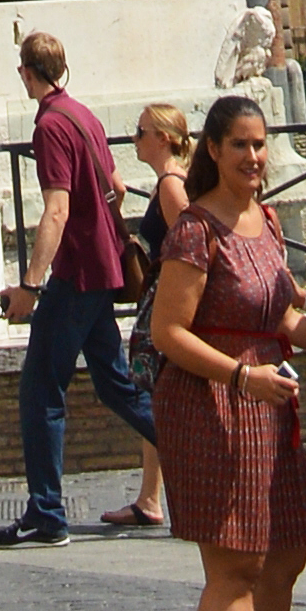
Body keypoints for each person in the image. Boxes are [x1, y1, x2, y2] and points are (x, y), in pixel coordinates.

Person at [141, 91, 306, 611]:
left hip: (271, 403)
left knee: (287, 552)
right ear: (212, 151)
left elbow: (286, 319)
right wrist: (241, 379)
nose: (254, 155)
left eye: (260, 142)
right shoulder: (195, 229)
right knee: (235, 566)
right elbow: (168, 332)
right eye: (240, 144)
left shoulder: (266, 220)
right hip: (212, 405)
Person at [0, 29, 159, 545]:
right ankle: (209, 450)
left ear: (27, 72)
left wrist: (29, 286)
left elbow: (56, 210)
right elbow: (117, 185)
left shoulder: (49, 127)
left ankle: (46, 514)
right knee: (118, 387)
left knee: (40, 392)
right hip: (103, 269)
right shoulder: (83, 114)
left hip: (74, 275)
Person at [113, 106, 199, 531]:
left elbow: (191, 242)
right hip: (162, 297)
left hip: (168, 301)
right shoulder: (169, 182)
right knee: (154, 394)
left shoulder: (171, 185)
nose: (135, 138)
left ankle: (191, 485)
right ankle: (150, 497)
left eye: (141, 131)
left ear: (163, 138)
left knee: (156, 395)